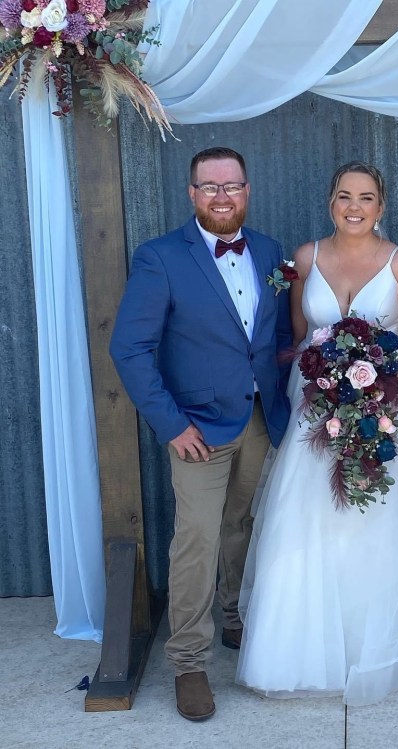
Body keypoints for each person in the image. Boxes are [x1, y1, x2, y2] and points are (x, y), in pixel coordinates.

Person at [236, 161, 398, 705]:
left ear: (380, 206)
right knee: (310, 518)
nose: (354, 207)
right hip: (316, 409)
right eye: (345, 196)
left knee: (386, 520)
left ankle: (383, 645)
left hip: (386, 406)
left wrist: (379, 377)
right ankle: (304, 651)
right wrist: (328, 378)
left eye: (366, 197)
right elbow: (300, 337)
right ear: (331, 202)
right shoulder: (305, 258)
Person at [109, 147, 292, 720]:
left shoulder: (269, 251)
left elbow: (275, 337)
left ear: (247, 191)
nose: (221, 196)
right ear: (192, 194)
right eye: (209, 187)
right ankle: (189, 661)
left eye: (231, 186)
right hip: (197, 429)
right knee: (197, 539)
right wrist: (172, 424)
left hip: (260, 418)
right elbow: (129, 348)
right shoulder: (160, 257)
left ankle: (234, 615)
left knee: (242, 523)